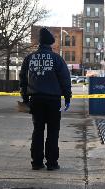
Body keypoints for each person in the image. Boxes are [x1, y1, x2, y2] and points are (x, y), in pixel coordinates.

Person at [19, 27, 71, 170]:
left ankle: (36, 162)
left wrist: (25, 98)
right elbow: (65, 79)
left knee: (38, 130)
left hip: (36, 99)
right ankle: (52, 163)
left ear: (40, 43)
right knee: (53, 132)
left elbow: (23, 80)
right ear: (50, 43)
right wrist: (67, 97)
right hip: (53, 100)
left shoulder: (29, 58)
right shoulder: (57, 59)